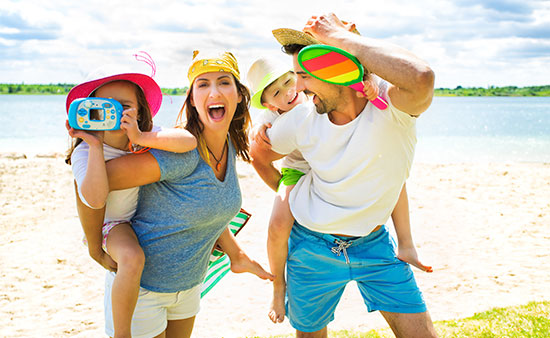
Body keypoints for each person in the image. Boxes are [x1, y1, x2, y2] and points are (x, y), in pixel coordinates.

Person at [68, 50, 273, 338]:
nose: (214, 91)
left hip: (188, 285)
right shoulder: (176, 154)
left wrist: (237, 255)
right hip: (143, 290)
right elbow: (90, 191)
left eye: (224, 82)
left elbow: (208, 206)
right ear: (192, 98)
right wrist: (93, 247)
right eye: (202, 84)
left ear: (240, 94)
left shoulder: (222, 141)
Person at [259, 13, 438, 337]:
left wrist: (343, 38)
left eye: (305, 75)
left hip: (375, 244)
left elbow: (422, 77)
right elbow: (260, 154)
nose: (297, 88)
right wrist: (293, 190)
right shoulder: (301, 118)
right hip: (311, 247)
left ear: (338, 68)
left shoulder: (390, 105)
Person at [247, 57, 410, 325]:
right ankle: (278, 288)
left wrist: (369, 85)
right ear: (268, 103)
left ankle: (407, 243)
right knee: (278, 224)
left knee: (391, 177)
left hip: (332, 164)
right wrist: (290, 194)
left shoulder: (314, 95)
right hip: (297, 172)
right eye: (276, 92)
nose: (288, 92)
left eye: (289, 82)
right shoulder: (270, 117)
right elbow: (258, 153)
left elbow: (357, 92)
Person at [65, 66, 198, 338]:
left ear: (140, 111)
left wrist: (141, 137)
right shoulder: (85, 153)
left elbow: (188, 141)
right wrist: (94, 146)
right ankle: (122, 333)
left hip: (140, 219)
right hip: (111, 226)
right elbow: (94, 198)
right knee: (132, 258)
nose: (114, 112)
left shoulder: (144, 135)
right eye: (104, 106)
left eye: (124, 106)